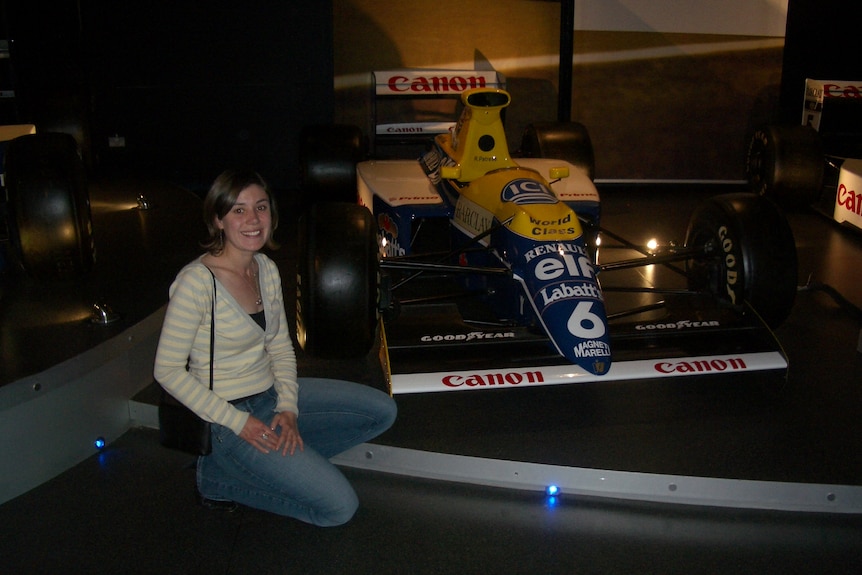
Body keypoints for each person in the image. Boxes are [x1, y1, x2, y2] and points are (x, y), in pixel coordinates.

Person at [153, 169, 397, 526]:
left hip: (268, 395)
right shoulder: (196, 284)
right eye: (238, 210)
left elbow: (280, 348)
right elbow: (167, 371)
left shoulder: (264, 268)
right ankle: (218, 478)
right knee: (338, 509)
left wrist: (287, 407)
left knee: (381, 410)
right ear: (218, 219)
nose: (253, 220)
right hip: (226, 419)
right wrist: (240, 423)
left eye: (261, 207)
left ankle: (277, 465)